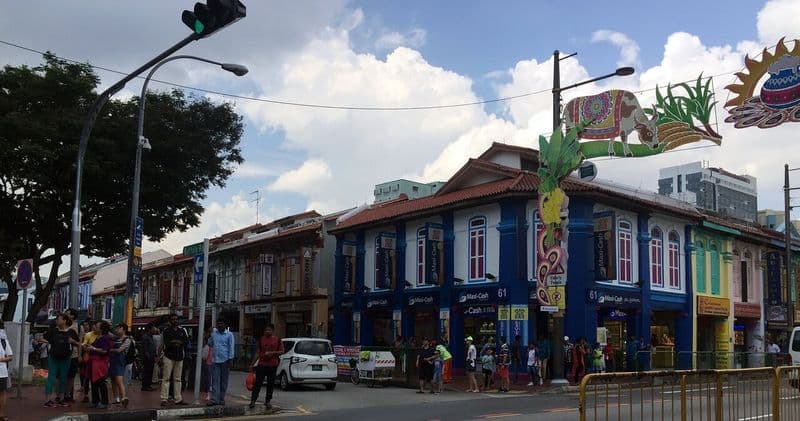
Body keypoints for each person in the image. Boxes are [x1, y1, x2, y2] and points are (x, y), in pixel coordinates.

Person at [41, 313, 78, 408]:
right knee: (51, 378)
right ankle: (47, 400)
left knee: (63, 378)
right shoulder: (53, 331)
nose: (57, 320)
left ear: (65, 321)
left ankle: (61, 398)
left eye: (59, 319)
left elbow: (78, 343)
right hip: (54, 357)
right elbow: (44, 338)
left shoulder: (72, 332)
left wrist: (72, 341)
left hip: (66, 358)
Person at [249, 324, 283, 410]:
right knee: (258, 384)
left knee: (270, 384)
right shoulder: (261, 339)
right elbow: (257, 353)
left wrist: (272, 353)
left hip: (273, 365)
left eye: (269, 330)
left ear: (273, 331)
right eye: (266, 330)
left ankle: (268, 401)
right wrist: (252, 364)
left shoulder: (278, 340)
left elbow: (282, 351)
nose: (267, 332)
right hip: (262, 365)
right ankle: (253, 400)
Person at [160, 314, 188, 406]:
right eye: (173, 319)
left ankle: (178, 398)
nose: (175, 321)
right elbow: (167, 343)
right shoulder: (166, 331)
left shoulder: (182, 331)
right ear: (170, 321)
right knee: (166, 378)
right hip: (169, 356)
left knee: (178, 379)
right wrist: (176, 342)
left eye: (176, 319)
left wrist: (175, 342)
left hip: (179, 356)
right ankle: (164, 398)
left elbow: (185, 342)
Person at [208, 319, 235, 407]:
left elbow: (231, 347)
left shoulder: (229, 335)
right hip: (215, 360)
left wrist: (231, 359)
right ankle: (215, 399)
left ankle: (221, 399)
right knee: (215, 381)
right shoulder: (214, 334)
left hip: (225, 360)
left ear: (225, 325)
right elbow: (210, 343)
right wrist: (209, 335)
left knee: (224, 381)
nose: (220, 325)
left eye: (221, 324)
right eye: (218, 324)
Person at [86, 320, 112, 409]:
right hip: (93, 362)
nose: (94, 328)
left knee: (101, 382)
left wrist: (93, 348)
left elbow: (104, 350)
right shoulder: (97, 337)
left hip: (100, 363)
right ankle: (95, 401)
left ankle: (104, 402)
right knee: (94, 382)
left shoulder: (104, 338)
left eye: (96, 326)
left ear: (101, 329)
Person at [109, 323, 132, 408]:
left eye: (118, 328)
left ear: (123, 329)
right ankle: (116, 398)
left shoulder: (127, 339)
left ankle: (123, 397)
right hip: (113, 361)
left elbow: (120, 350)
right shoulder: (116, 338)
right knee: (113, 380)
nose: (117, 330)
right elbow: (109, 334)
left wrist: (111, 350)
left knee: (119, 380)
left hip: (119, 362)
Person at [64, 309, 80, 403]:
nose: (65, 315)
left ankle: (70, 394)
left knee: (71, 376)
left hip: (73, 354)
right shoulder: (62, 325)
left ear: (73, 316)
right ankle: (62, 394)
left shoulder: (77, 326)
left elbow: (79, 341)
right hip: (64, 354)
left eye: (68, 313)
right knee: (63, 375)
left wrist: (80, 354)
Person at [80, 320, 97, 403]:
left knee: (96, 378)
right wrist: (85, 347)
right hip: (88, 358)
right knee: (86, 377)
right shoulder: (88, 335)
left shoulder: (102, 336)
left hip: (98, 359)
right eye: (94, 325)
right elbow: (83, 344)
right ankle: (86, 395)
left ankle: (96, 397)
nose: (95, 327)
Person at [0, 321, 13, 421]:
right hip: (2, 371)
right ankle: (2, 415)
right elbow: (10, 357)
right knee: (2, 393)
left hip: (2, 371)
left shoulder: (3, 339)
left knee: (2, 393)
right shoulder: (3, 339)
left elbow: (10, 356)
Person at [141, 325, 156, 391]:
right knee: (146, 371)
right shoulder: (145, 337)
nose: (155, 330)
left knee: (150, 371)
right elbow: (145, 348)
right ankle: (145, 386)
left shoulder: (151, 337)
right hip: (148, 358)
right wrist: (148, 356)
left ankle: (148, 385)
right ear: (150, 329)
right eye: (153, 329)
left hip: (151, 357)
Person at [200, 325, 213, 402]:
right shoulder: (207, 340)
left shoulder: (214, 340)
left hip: (213, 361)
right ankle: (208, 393)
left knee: (210, 378)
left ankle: (210, 394)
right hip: (208, 361)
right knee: (208, 378)